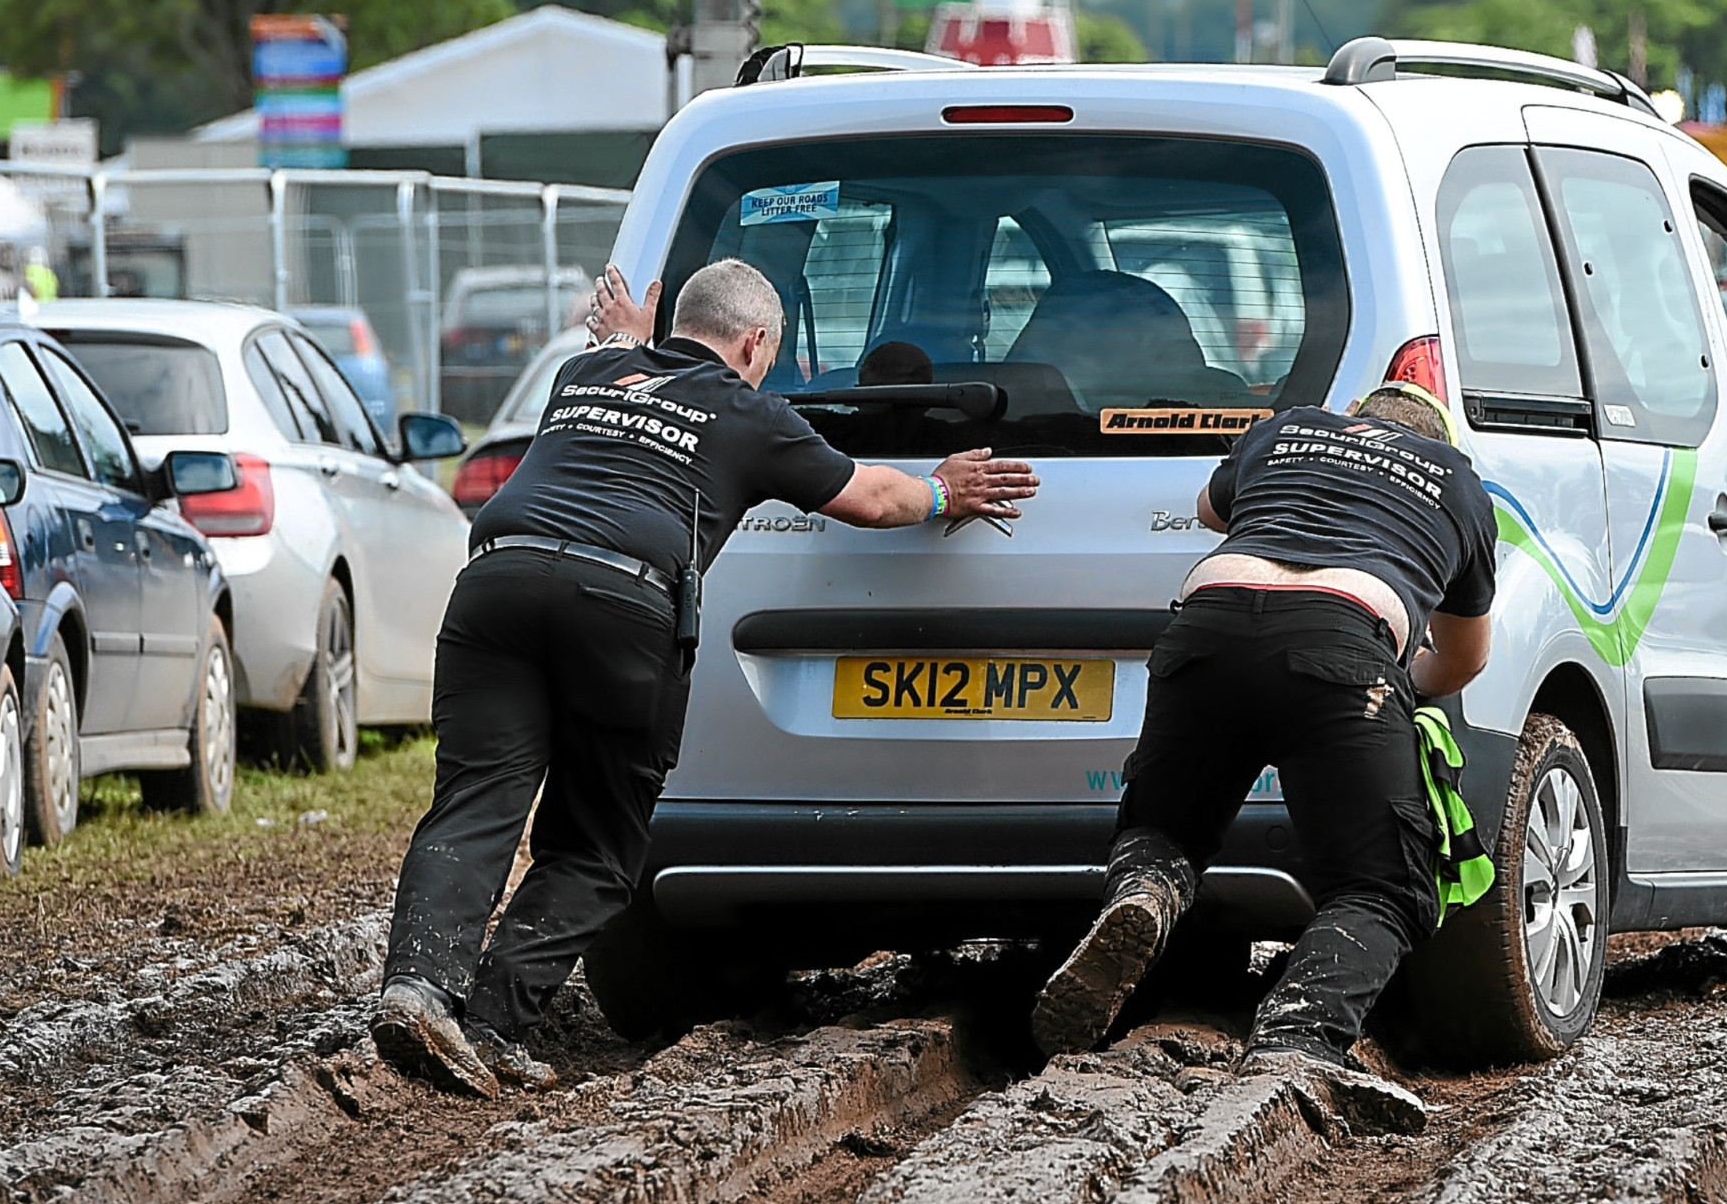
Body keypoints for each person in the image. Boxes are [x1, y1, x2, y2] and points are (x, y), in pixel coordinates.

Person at [373, 258, 1041, 1098]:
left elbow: (629, 365)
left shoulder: (585, 372)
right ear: (756, 342)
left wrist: (626, 337)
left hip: (494, 584)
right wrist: (944, 490)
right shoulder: (747, 410)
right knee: (596, 844)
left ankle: (418, 989)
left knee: (476, 798)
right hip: (617, 601)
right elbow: (870, 496)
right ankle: (493, 1024)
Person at [1029, 380, 1495, 1133]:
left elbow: (1213, 510)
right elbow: (1465, 657)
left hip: (1206, 624)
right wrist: (1389, 683)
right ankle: (1297, 1036)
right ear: (1441, 441)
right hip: (1347, 636)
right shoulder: (1459, 483)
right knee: (1383, 885)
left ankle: (1144, 896)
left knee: (1168, 829)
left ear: (1354, 417)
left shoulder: (1288, 428)